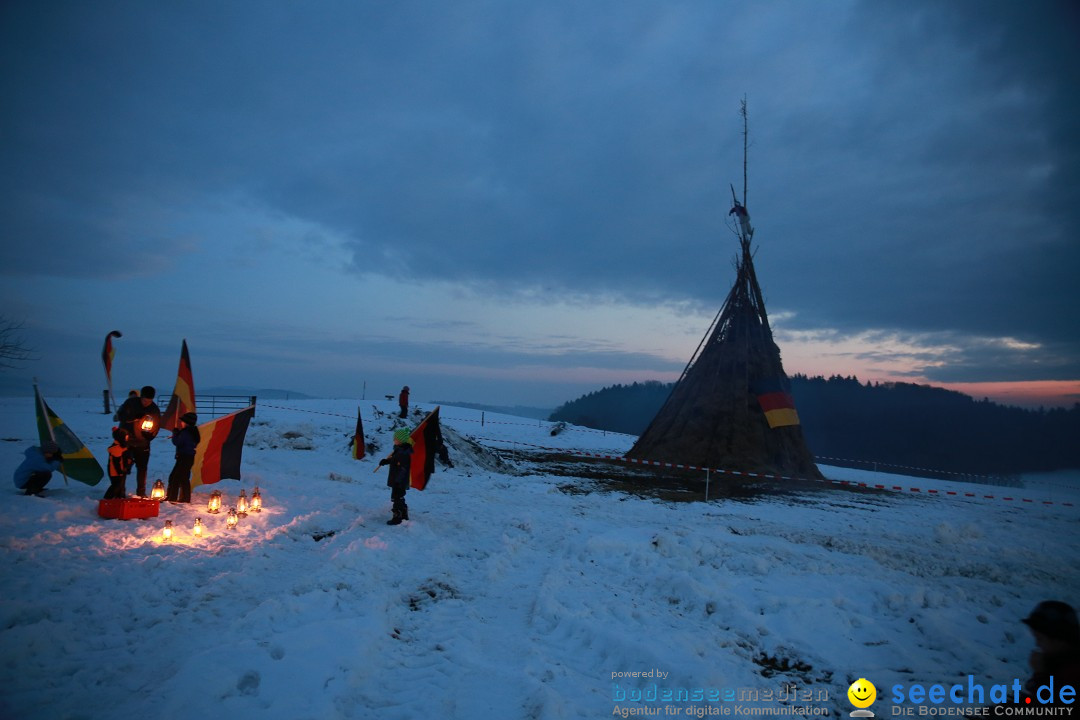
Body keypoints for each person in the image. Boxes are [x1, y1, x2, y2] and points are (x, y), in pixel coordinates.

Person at [1021, 600, 1080, 704]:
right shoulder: (1058, 660)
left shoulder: (1073, 672)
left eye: (1040, 639)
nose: (1037, 644)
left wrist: (1040, 675)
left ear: (1060, 639)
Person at [116, 385, 162, 497]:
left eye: (149, 401)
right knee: (123, 467)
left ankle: (141, 492)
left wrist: (149, 435)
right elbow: (120, 416)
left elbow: (156, 427)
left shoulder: (154, 410)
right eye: (145, 400)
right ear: (141, 397)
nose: (146, 403)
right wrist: (133, 418)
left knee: (142, 468)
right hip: (126, 442)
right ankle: (120, 491)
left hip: (142, 443)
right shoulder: (131, 403)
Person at [378, 427, 413, 525]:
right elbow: (395, 460)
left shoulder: (403, 453)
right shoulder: (400, 450)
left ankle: (397, 517)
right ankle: (404, 514)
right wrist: (386, 461)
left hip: (399, 480)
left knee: (397, 497)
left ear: (401, 441)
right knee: (399, 497)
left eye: (396, 439)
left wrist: (398, 481)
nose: (394, 440)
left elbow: (403, 468)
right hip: (398, 479)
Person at [166, 412, 200, 503]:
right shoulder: (193, 432)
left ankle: (172, 497)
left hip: (184, 457)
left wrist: (175, 434)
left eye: (183, 421)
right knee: (183, 477)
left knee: (175, 477)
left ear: (186, 422)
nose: (181, 423)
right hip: (188, 457)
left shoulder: (186, 433)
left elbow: (177, 442)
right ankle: (185, 498)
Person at [103, 427, 135, 500]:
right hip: (114, 471)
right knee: (116, 485)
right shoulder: (116, 449)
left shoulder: (123, 447)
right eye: (126, 437)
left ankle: (119, 497)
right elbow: (116, 462)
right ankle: (107, 498)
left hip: (121, 470)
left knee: (120, 484)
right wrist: (119, 471)